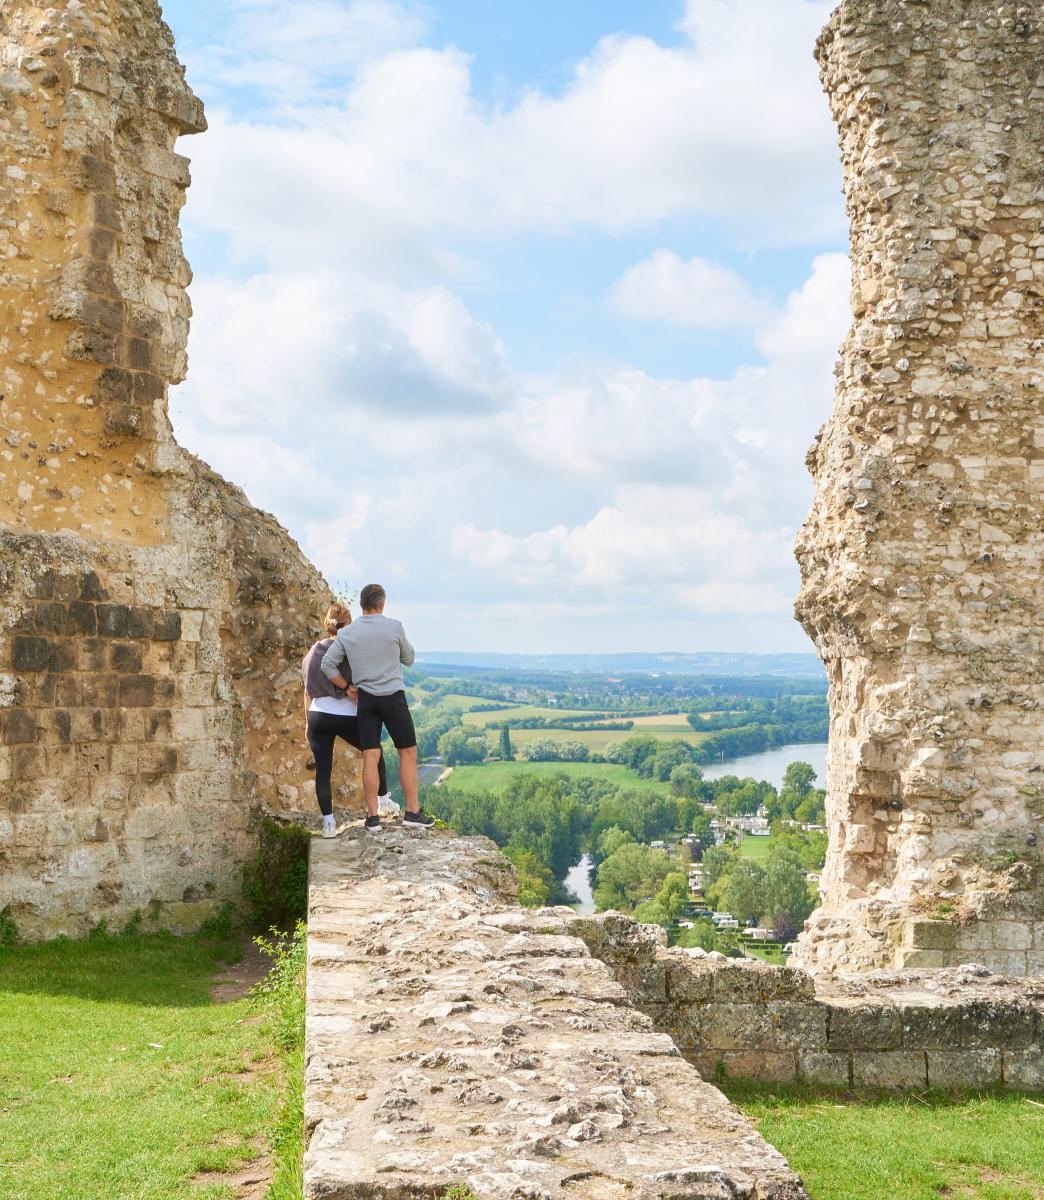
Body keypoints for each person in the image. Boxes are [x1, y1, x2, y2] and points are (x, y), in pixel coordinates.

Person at [321, 583, 433, 833]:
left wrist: (347, 686)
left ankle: (372, 818)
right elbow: (410, 659)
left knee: (371, 756)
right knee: (407, 752)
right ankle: (412, 813)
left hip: (366, 700)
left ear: (361, 605)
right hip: (393, 698)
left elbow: (327, 664)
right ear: (382, 604)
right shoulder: (394, 627)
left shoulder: (347, 634)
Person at [301, 602, 397, 838]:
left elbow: (307, 692)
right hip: (346, 715)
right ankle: (383, 802)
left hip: (318, 715)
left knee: (323, 770)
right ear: (349, 623)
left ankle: (328, 825)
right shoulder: (350, 651)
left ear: (327, 624)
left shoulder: (313, 652)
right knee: (375, 754)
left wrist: (307, 723)